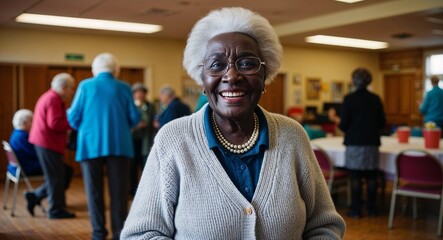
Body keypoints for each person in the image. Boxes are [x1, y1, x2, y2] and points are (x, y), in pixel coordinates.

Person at [121, 7, 345, 239]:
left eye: (247, 63)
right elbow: (141, 234)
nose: (231, 76)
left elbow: (324, 226)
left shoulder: (292, 135)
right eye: (217, 65)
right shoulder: (174, 140)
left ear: (264, 75)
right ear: (202, 80)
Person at [67, 53, 141, 240]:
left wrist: (87, 126)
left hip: (90, 145)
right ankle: (119, 234)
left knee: (94, 192)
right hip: (119, 145)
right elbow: (134, 118)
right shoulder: (124, 87)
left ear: (95, 70)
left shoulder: (85, 86)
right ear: (116, 70)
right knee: (119, 194)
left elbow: (73, 118)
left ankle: (98, 233)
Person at [338, 68, 386, 218]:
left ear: (353, 81)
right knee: (372, 176)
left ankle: (356, 210)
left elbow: (343, 125)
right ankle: (372, 209)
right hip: (372, 142)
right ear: (369, 81)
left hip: (354, 143)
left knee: (355, 177)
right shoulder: (375, 99)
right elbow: (382, 122)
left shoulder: (349, 99)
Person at [28, 73, 76, 219]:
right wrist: (73, 125)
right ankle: (55, 210)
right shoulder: (53, 99)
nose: (72, 92)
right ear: (63, 87)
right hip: (47, 143)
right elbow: (54, 123)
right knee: (56, 178)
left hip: (45, 142)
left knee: (57, 176)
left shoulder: (51, 97)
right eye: (71, 88)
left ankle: (36, 196)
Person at [10, 109, 73, 216]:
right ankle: (42, 196)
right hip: (27, 167)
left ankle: (45, 196)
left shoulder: (17, 133)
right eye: (31, 121)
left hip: (18, 167)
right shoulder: (22, 136)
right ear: (24, 123)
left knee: (62, 170)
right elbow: (37, 153)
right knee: (62, 171)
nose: (34, 123)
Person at [130, 82, 156, 197]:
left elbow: (151, 120)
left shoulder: (150, 106)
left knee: (145, 165)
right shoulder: (131, 105)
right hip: (132, 140)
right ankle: (132, 191)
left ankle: (145, 192)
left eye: (142, 92)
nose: (139, 94)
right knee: (132, 166)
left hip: (146, 140)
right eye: (137, 92)